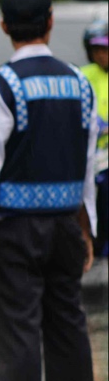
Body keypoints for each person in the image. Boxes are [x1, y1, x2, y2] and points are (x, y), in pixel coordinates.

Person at [0, 0, 97, 381]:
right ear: (51, 22)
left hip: (18, 231)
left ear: (5, 27)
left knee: (20, 337)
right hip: (64, 226)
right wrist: (87, 226)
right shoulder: (80, 83)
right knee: (68, 329)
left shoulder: (1, 85)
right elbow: (88, 160)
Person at [81, 19, 108, 258]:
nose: (103, 55)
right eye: (98, 50)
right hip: (91, 151)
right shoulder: (83, 76)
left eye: (106, 50)